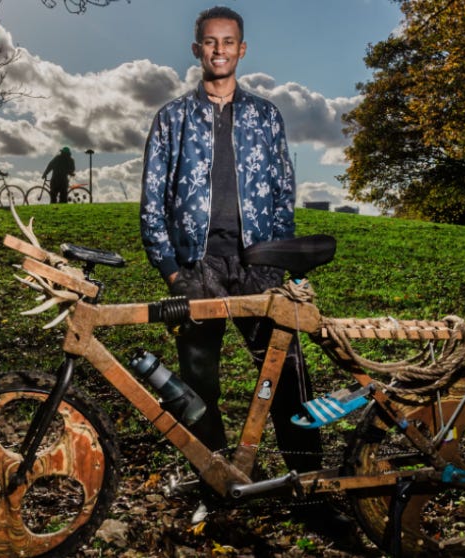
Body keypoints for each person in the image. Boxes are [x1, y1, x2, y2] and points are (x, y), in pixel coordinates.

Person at [139, 5, 354, 542]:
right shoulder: (171, 118)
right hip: (198, 269)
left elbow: (283, 195)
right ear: (197, 50)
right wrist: (173, 274)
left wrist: (279, 261)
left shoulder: (267, 116)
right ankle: (216, 490)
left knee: (288, 380)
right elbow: (151, 203)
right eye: (210, 42)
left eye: (228, 41)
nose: (219, 50)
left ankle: (311, 493)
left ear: (242, 49)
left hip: (259, 267)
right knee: (198, 387)